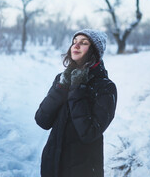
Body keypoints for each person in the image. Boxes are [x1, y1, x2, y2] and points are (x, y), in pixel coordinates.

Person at [35, 29, 117, 177]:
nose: (76, 46)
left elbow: (90, 133)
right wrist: (62, 88)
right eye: (74, 41)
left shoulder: (105, 87)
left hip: (83, 169)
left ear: (95, 51)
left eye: (84, 43)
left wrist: (77, 89)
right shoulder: (62, 78)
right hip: (52, 165)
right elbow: (42, 120)